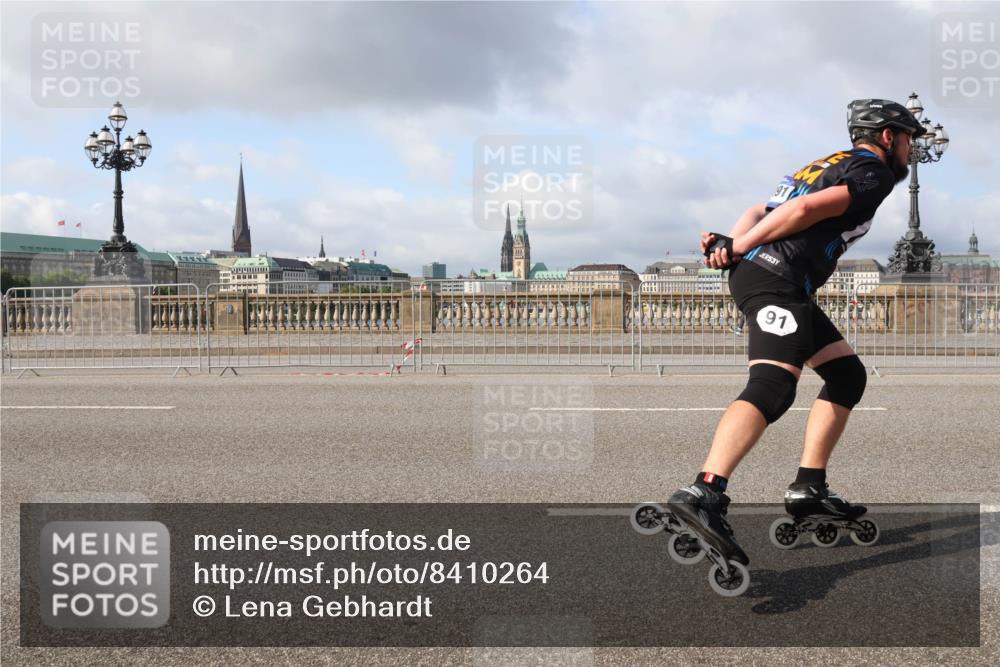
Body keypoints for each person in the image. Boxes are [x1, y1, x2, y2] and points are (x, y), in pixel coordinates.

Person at [666, 99, 925, 565]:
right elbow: (804, 210)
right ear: (889, 136)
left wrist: (731, 243)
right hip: (777, 278)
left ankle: (809, 486)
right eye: (909, 138)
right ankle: (704, 491)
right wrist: (740, 245)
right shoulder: (873, 172)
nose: (912, 149)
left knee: (847, 375)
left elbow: (757, 208)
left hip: (777, 278)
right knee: (773, 385)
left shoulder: (828, 164)